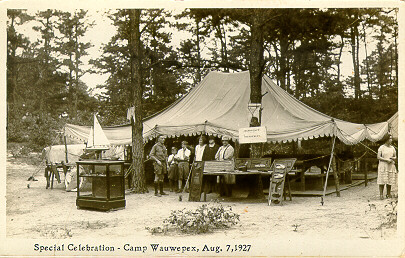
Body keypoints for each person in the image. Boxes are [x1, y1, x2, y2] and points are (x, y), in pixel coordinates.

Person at [377, 134, 397, 200]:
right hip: (383, 165)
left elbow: (395, 156)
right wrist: (386, 160)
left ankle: (388, 194)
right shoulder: (381, 147)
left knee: (389, 180)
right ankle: (381, 194)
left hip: (390, 165)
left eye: (391, 138)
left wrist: (392, 158)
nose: (391, 140)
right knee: (382, 180)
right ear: (386, 139)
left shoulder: (392, 148)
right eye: (390, 138)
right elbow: (378, 157)